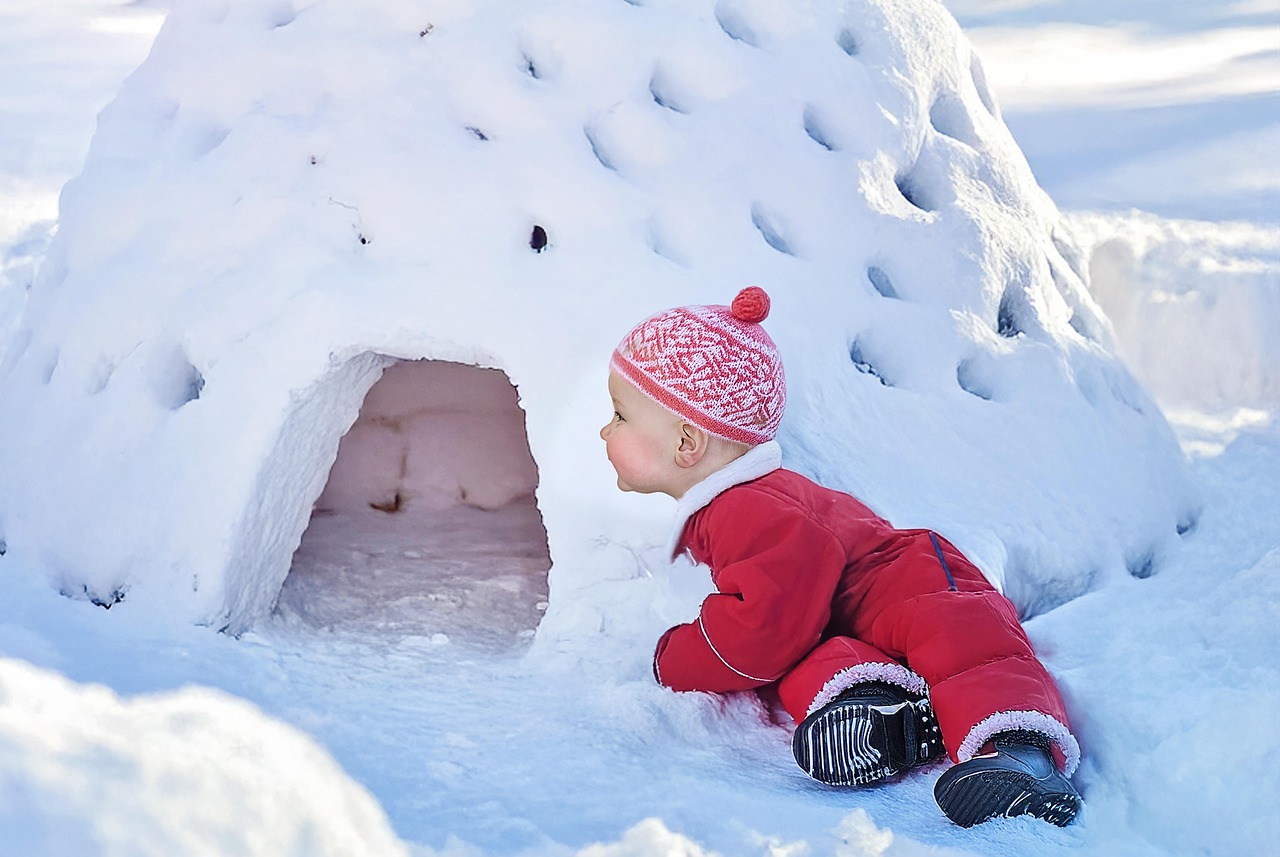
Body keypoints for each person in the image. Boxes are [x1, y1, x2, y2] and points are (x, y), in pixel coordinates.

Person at [599, 286, 1082, 828]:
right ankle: (880, 710)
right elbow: (782, 631)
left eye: (620, 416)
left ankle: (1021, 750)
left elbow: (758, 635)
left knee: (962, 643)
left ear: (687, 442)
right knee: (806, 664)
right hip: (839, 618)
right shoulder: (724, 509)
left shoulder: (749, 508)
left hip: (906, 581)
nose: (605, 429)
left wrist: (678, 657)